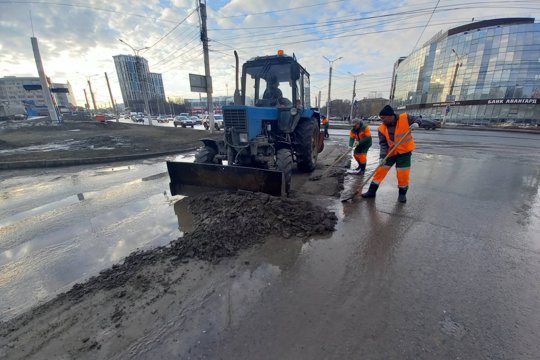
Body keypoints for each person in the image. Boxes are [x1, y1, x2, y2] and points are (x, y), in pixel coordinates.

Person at [361, 105, 421, 203]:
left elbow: (418, 118)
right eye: (381, 118)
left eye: (383, 118)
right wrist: (382, 157)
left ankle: (402, 194)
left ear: (390, 116)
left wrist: (416, 123)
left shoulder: (404, 118)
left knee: (403, 175)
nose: (382, 120)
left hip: (404, 153)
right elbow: (383, 144)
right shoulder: (381, 128)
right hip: (391, 153)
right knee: (380, 171)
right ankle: (372, 191)